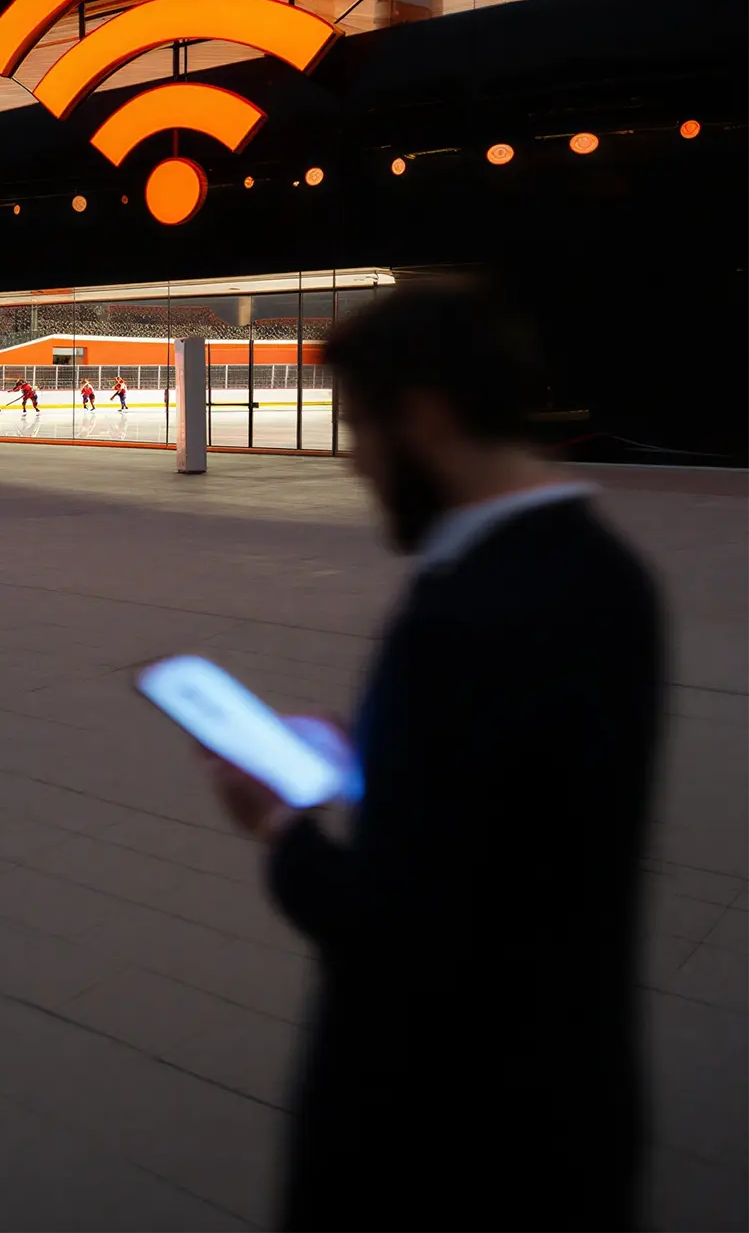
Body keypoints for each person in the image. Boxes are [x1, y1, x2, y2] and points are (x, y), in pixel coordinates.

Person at [200, 283, 663, 1233]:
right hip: (568, 1110)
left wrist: (279, 824)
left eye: (360, 429)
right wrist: (372, 749)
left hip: (437, 1142)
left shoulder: (466, 614)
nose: (355, 464)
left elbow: (393, 930)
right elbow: (517, 822)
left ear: (425, 417)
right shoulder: (607, 575)